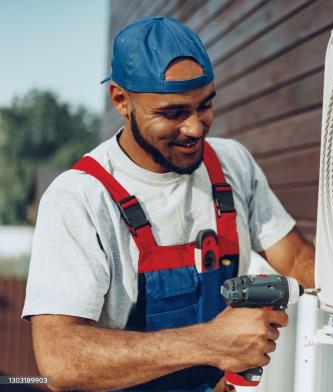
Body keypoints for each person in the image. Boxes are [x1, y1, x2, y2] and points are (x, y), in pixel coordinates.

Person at [22, 16, 315, 392]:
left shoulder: (232, 164)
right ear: (121, 100)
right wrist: (211, 342)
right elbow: (57, 361)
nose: (195, 128)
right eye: (173, 113)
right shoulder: (79, 198)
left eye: (205, 105)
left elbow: (296, 260)